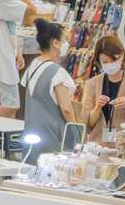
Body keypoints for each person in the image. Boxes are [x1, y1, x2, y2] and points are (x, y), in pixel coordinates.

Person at [18, 19, 79, 164]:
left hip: (31, 137)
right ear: (55, 43)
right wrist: (76, 131)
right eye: (64, 39)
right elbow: (66, 108)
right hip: (53, 138)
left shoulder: (33, 65)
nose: (66, 43)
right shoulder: (56, 71)